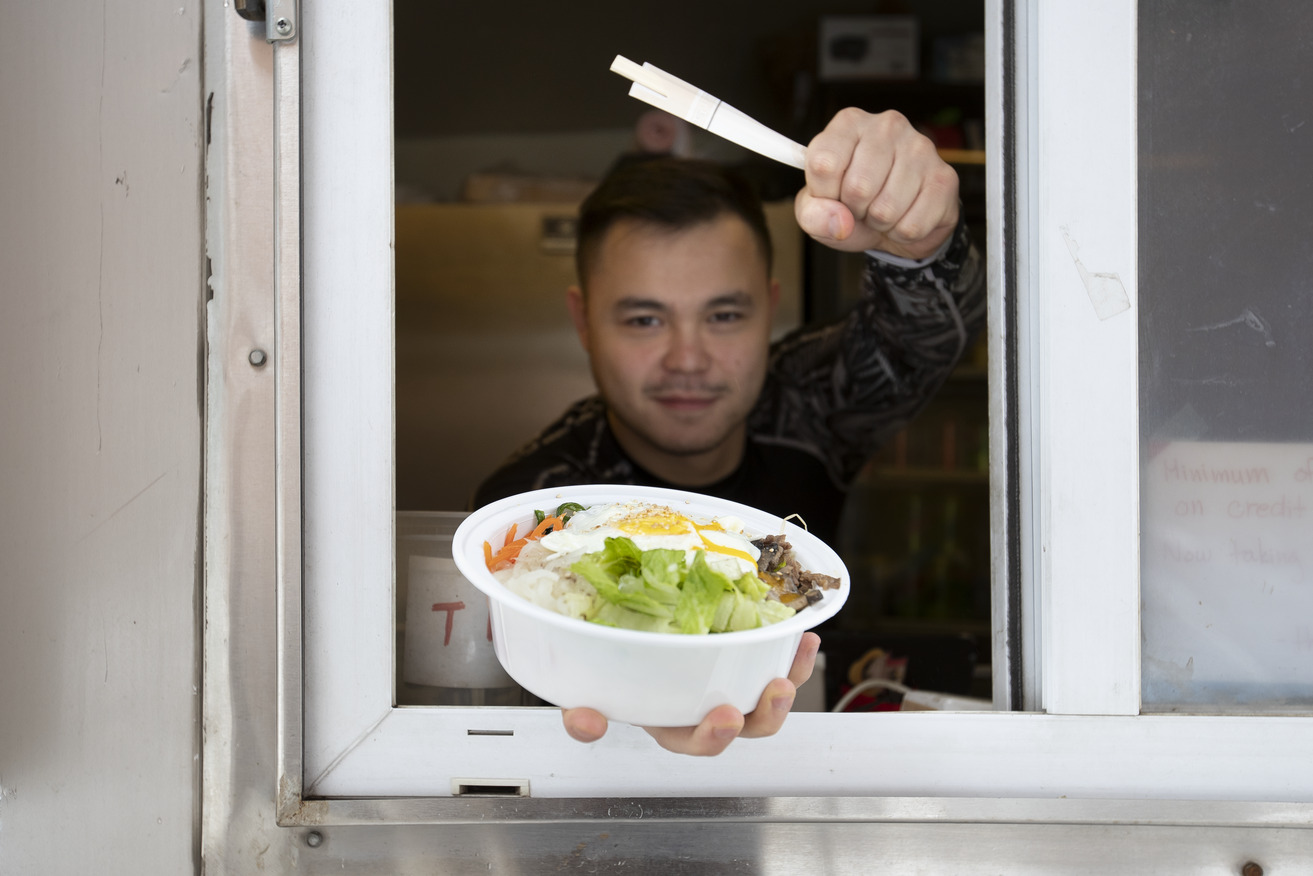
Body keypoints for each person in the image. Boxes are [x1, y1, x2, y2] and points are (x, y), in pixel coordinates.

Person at [473, 108, 986, 755]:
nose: (687, 359)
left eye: (722, 314)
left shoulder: (807, 402)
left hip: (825, 749)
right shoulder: (533, 501)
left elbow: (927, 337)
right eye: (643, 320)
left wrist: (920, 243)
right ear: (582, 321)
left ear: (768, 308)